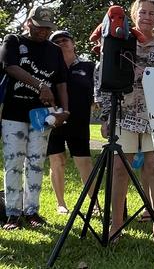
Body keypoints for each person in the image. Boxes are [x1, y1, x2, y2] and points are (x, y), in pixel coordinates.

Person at [98, 0, 154, 243]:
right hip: (124, 113)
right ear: (133, 15)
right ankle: (116, 226)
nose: (147, 17)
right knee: (120, 169)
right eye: (142, 12)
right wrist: (106, 115)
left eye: (152, 13)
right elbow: (102, 77)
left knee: (153, 169)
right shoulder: (118, 39)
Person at [1, 6, 69, 229]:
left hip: (42, 115)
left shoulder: (54, 50)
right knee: (14, 162)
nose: (44, 32)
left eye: (48, 28)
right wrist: (40, 85)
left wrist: (64, 110)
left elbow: (61, 82)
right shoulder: (13, 41)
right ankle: (12, 213)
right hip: (14, 113)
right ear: (29, 22)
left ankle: (32, 211)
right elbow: (10, 67)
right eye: (40, 27)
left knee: (36, 163)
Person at [46, 31, 96, 215]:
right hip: (53, 121)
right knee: (57, 161)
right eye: (56, 42)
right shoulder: (49, 67)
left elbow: (96, 92)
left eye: (65, 40)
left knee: (84, 162)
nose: (61, 43)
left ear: (73, 43)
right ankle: (61, 203)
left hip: (79, 122)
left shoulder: (89, 66)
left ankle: (94, 203)